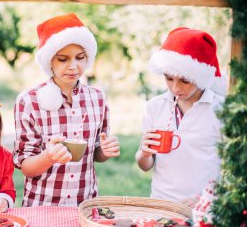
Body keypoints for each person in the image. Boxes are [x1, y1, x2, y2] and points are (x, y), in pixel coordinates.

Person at [13, 13, 120, 207]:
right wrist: (49, 157)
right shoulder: (29, 101)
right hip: (42, 207)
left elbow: (96, 154)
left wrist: (104, 150)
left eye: (80, 58)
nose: (73, 66)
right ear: (49, 62)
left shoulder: (97, 98)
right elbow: (26, 167)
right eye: (63, 59)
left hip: (84, 206)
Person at [135, 27, 227, 206]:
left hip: (204, 207)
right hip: (161, 204)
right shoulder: (155, 107)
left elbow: (232, 168)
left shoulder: (220, 110)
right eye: (169, 78)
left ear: (201, 76)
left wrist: (209, 199)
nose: (176, 88)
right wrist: (144, 153)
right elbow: (145, 165)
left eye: (185, 80)